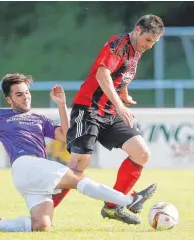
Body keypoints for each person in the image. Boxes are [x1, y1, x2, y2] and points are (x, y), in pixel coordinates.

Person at [0, 73, 155, 232]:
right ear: (9, 99)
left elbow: (66, 135)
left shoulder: (39, 119)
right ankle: (129, 200)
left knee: (41, 225)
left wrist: (61, 105)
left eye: (27, 92)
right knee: (77, 178)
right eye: (19, 94)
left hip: (34, 175)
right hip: (25, 166)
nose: (25, 96)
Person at [52, 14, 165, 224]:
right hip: (88, 110)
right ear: (138, 30)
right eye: (148, 40)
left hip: (109, 113)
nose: (149, 46)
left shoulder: (136, 51)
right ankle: (42, 213)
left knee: (141, 153)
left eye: (154, 43)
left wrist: (123, 96)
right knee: (77, 168)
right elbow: (102, 75)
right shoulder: (118, 45)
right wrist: (120, 105)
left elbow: (120, 77)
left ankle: (113, 206)